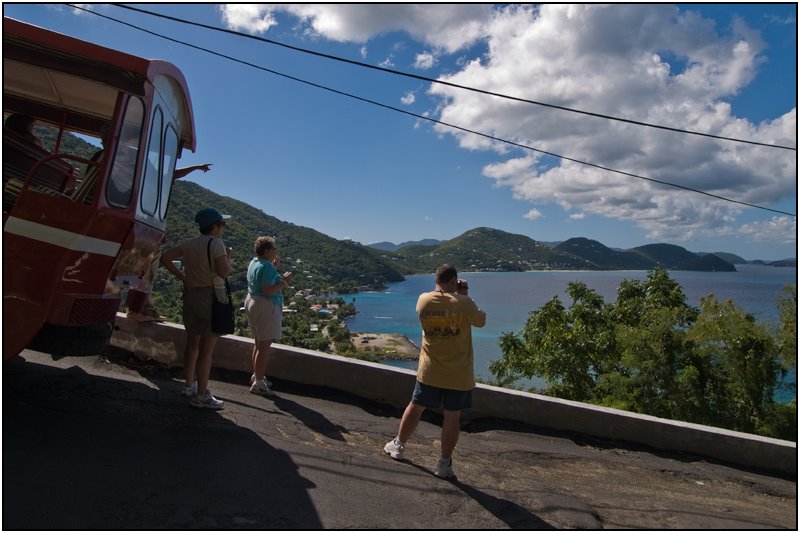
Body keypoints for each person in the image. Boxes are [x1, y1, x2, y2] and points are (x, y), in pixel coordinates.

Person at [383, 263, 486, 478]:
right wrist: (464, 293)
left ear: (436, 279)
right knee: (452, 417)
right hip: (458, 374)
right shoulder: (464, 302)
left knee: (416, 406)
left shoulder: (423, 300)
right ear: (453, 281)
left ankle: (398, 446)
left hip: (430, 370)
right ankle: (444, 464)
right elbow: (480, 321)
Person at [160, 207, 232, 409]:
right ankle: (202, 395)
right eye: (222, 224)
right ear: (215, 226)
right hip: (208, 297)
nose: (223, 228)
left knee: (192, 342)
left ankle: (189, 385)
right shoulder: (216, 244)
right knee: (207, 349)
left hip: (190, 295)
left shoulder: (189, 244)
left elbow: (165, 258)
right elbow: (224, 272)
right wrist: (228, 256)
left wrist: (184, 277)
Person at [245, 236, 292, 396]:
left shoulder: (255, 262)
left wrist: (273, 266)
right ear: (266, 250)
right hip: (265, 305)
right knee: (264, 347)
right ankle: (258, 384)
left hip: (253, 301)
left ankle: (257, 376)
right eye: (274, 249)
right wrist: (284, 282)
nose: (276, 251)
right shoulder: (267, 267)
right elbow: (268, 289)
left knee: (258, 343)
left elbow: (261, 280)